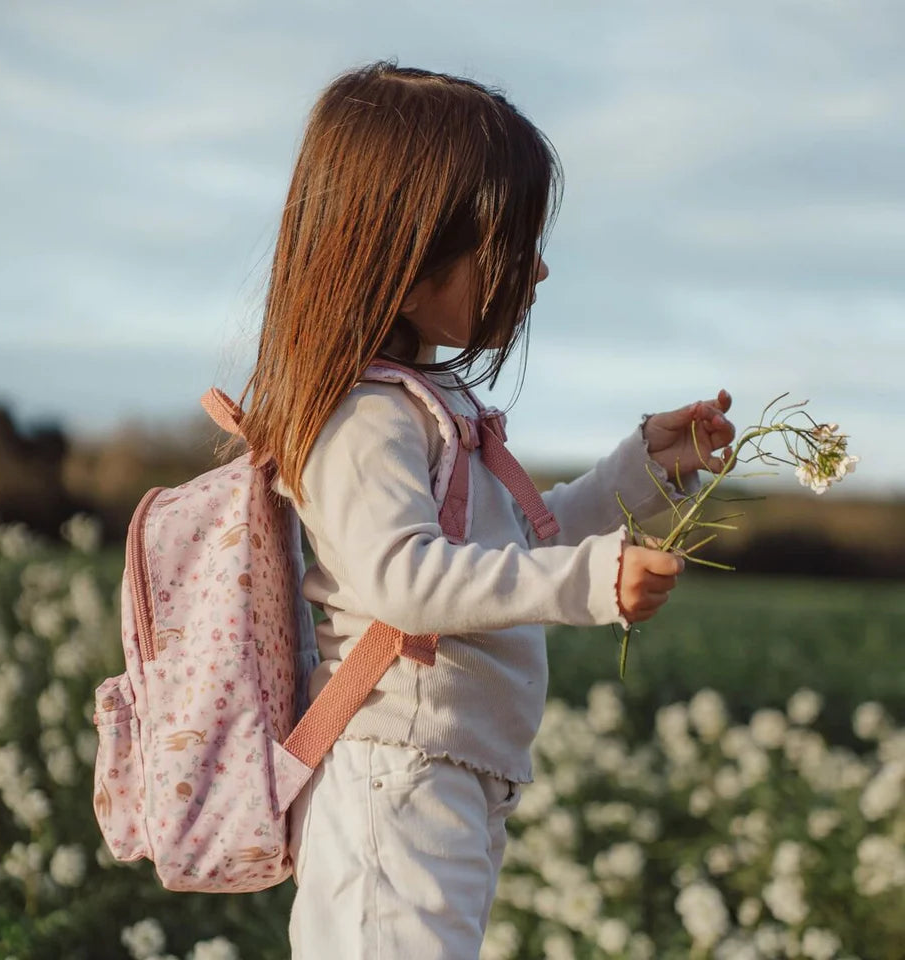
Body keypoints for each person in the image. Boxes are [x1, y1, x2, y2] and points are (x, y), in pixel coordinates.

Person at [237, 61, 735, 960]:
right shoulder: (361, 415)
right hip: (395, 776)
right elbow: (407, 582)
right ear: (407, 246)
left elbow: (512, 541)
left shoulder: (423, 404)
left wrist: (645, 473)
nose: (537, 269)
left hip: (445, 774)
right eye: (511, 242)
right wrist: (587, 584)